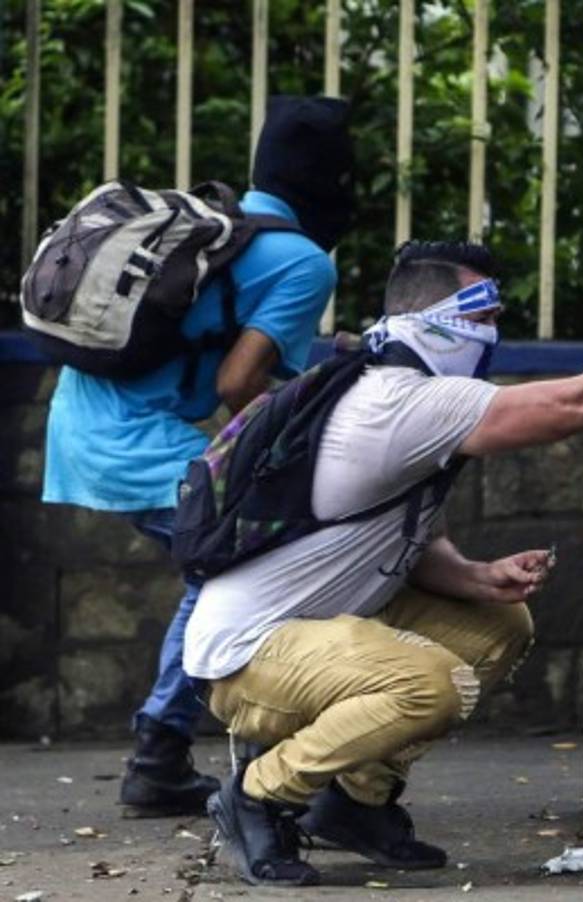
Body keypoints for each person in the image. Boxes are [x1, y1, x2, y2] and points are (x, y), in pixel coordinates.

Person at [181, 240, 583, 887]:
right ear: (431, 319)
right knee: (429, 685)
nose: (493, 333)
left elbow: (407, 545)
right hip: (247, 655)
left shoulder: (399, 390)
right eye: (483, 315)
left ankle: (355, 803)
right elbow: (579, 403)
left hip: (317, 627)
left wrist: (475, 577)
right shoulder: (397, 400)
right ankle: (258, 796)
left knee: (499, 624)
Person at [41, 95, 355, 816]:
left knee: (226, 567)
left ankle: (166, 751)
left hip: (82, 423)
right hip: (139, 442)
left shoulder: (228, 227)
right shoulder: (303, 260)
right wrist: (283, 451)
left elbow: (233, 342)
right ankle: (161, 752)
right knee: (239, 564)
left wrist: (343, 353)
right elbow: (238, 380)